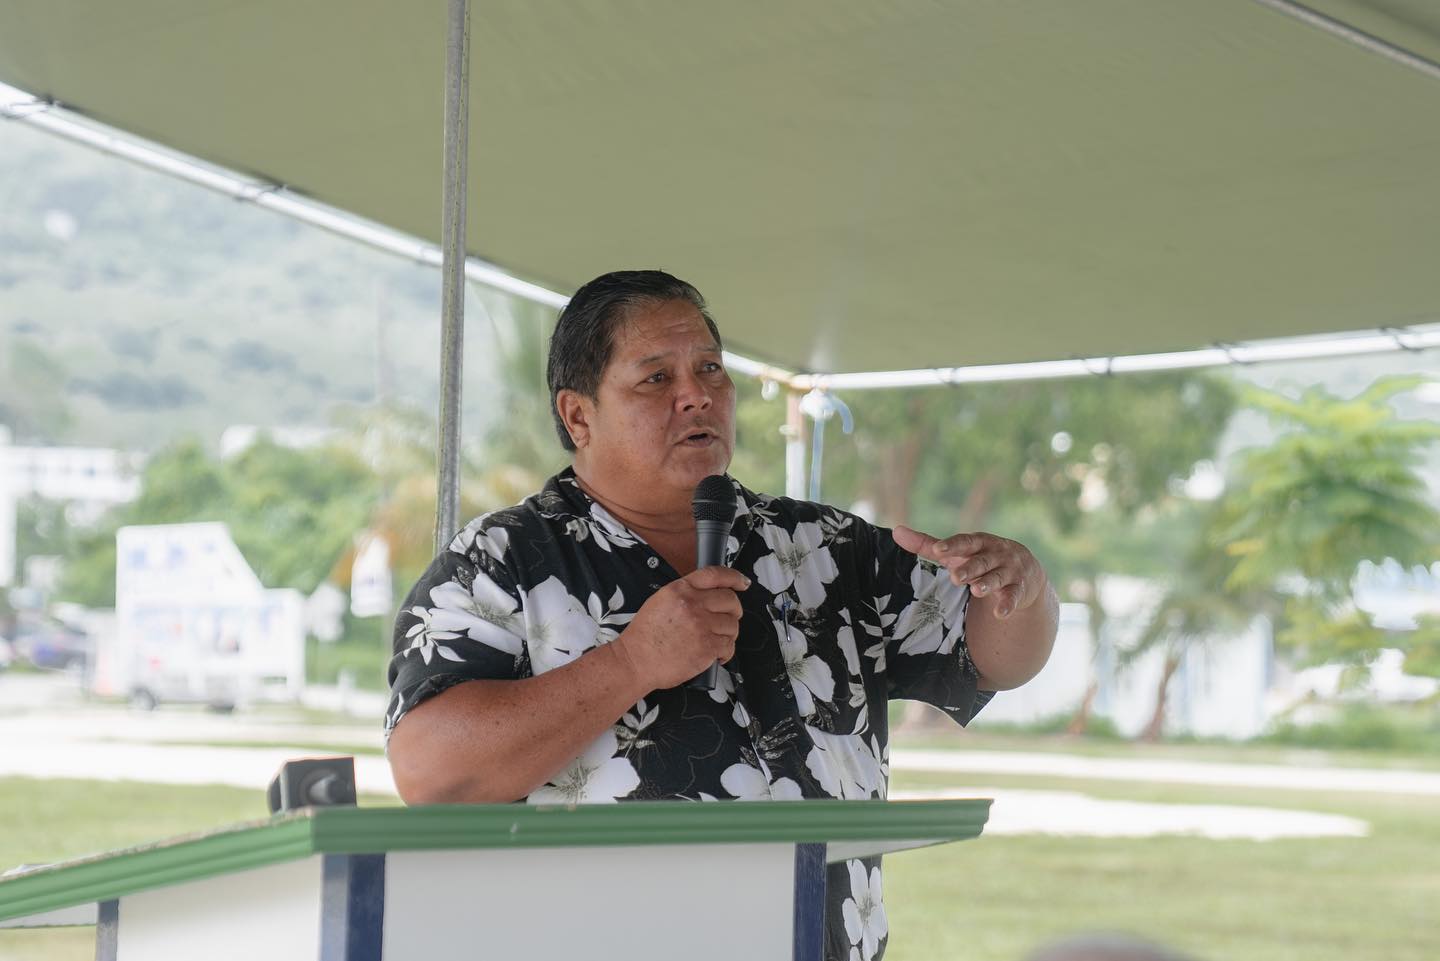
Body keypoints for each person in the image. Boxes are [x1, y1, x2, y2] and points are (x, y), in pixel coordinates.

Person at [385, 269, 1059, 960]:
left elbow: (995, 658)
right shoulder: (501, 563)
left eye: (711, 367)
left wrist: (1024, 593)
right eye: (656, 378)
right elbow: (433, 774)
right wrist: (631, 662)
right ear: (578, 415)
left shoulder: (828, 547)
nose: (697, 394)